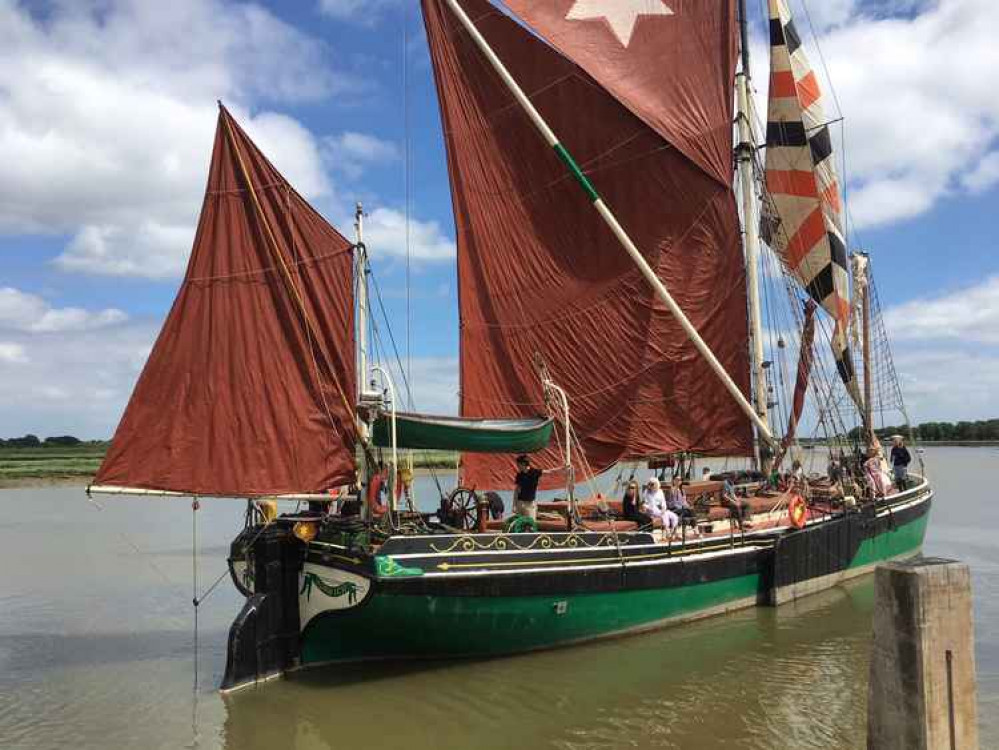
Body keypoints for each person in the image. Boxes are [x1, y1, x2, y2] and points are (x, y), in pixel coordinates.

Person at [513, 454, 544, 520]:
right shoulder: (519, 475)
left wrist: (562, 468)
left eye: (518, 464)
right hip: (520, 503)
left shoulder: (534, 472)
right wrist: (514, 505)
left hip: (530, 504)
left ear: (524, 464)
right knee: (520, 524)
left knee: (530, 524)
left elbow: (549, 472)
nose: (517, 466)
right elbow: (517, 490)